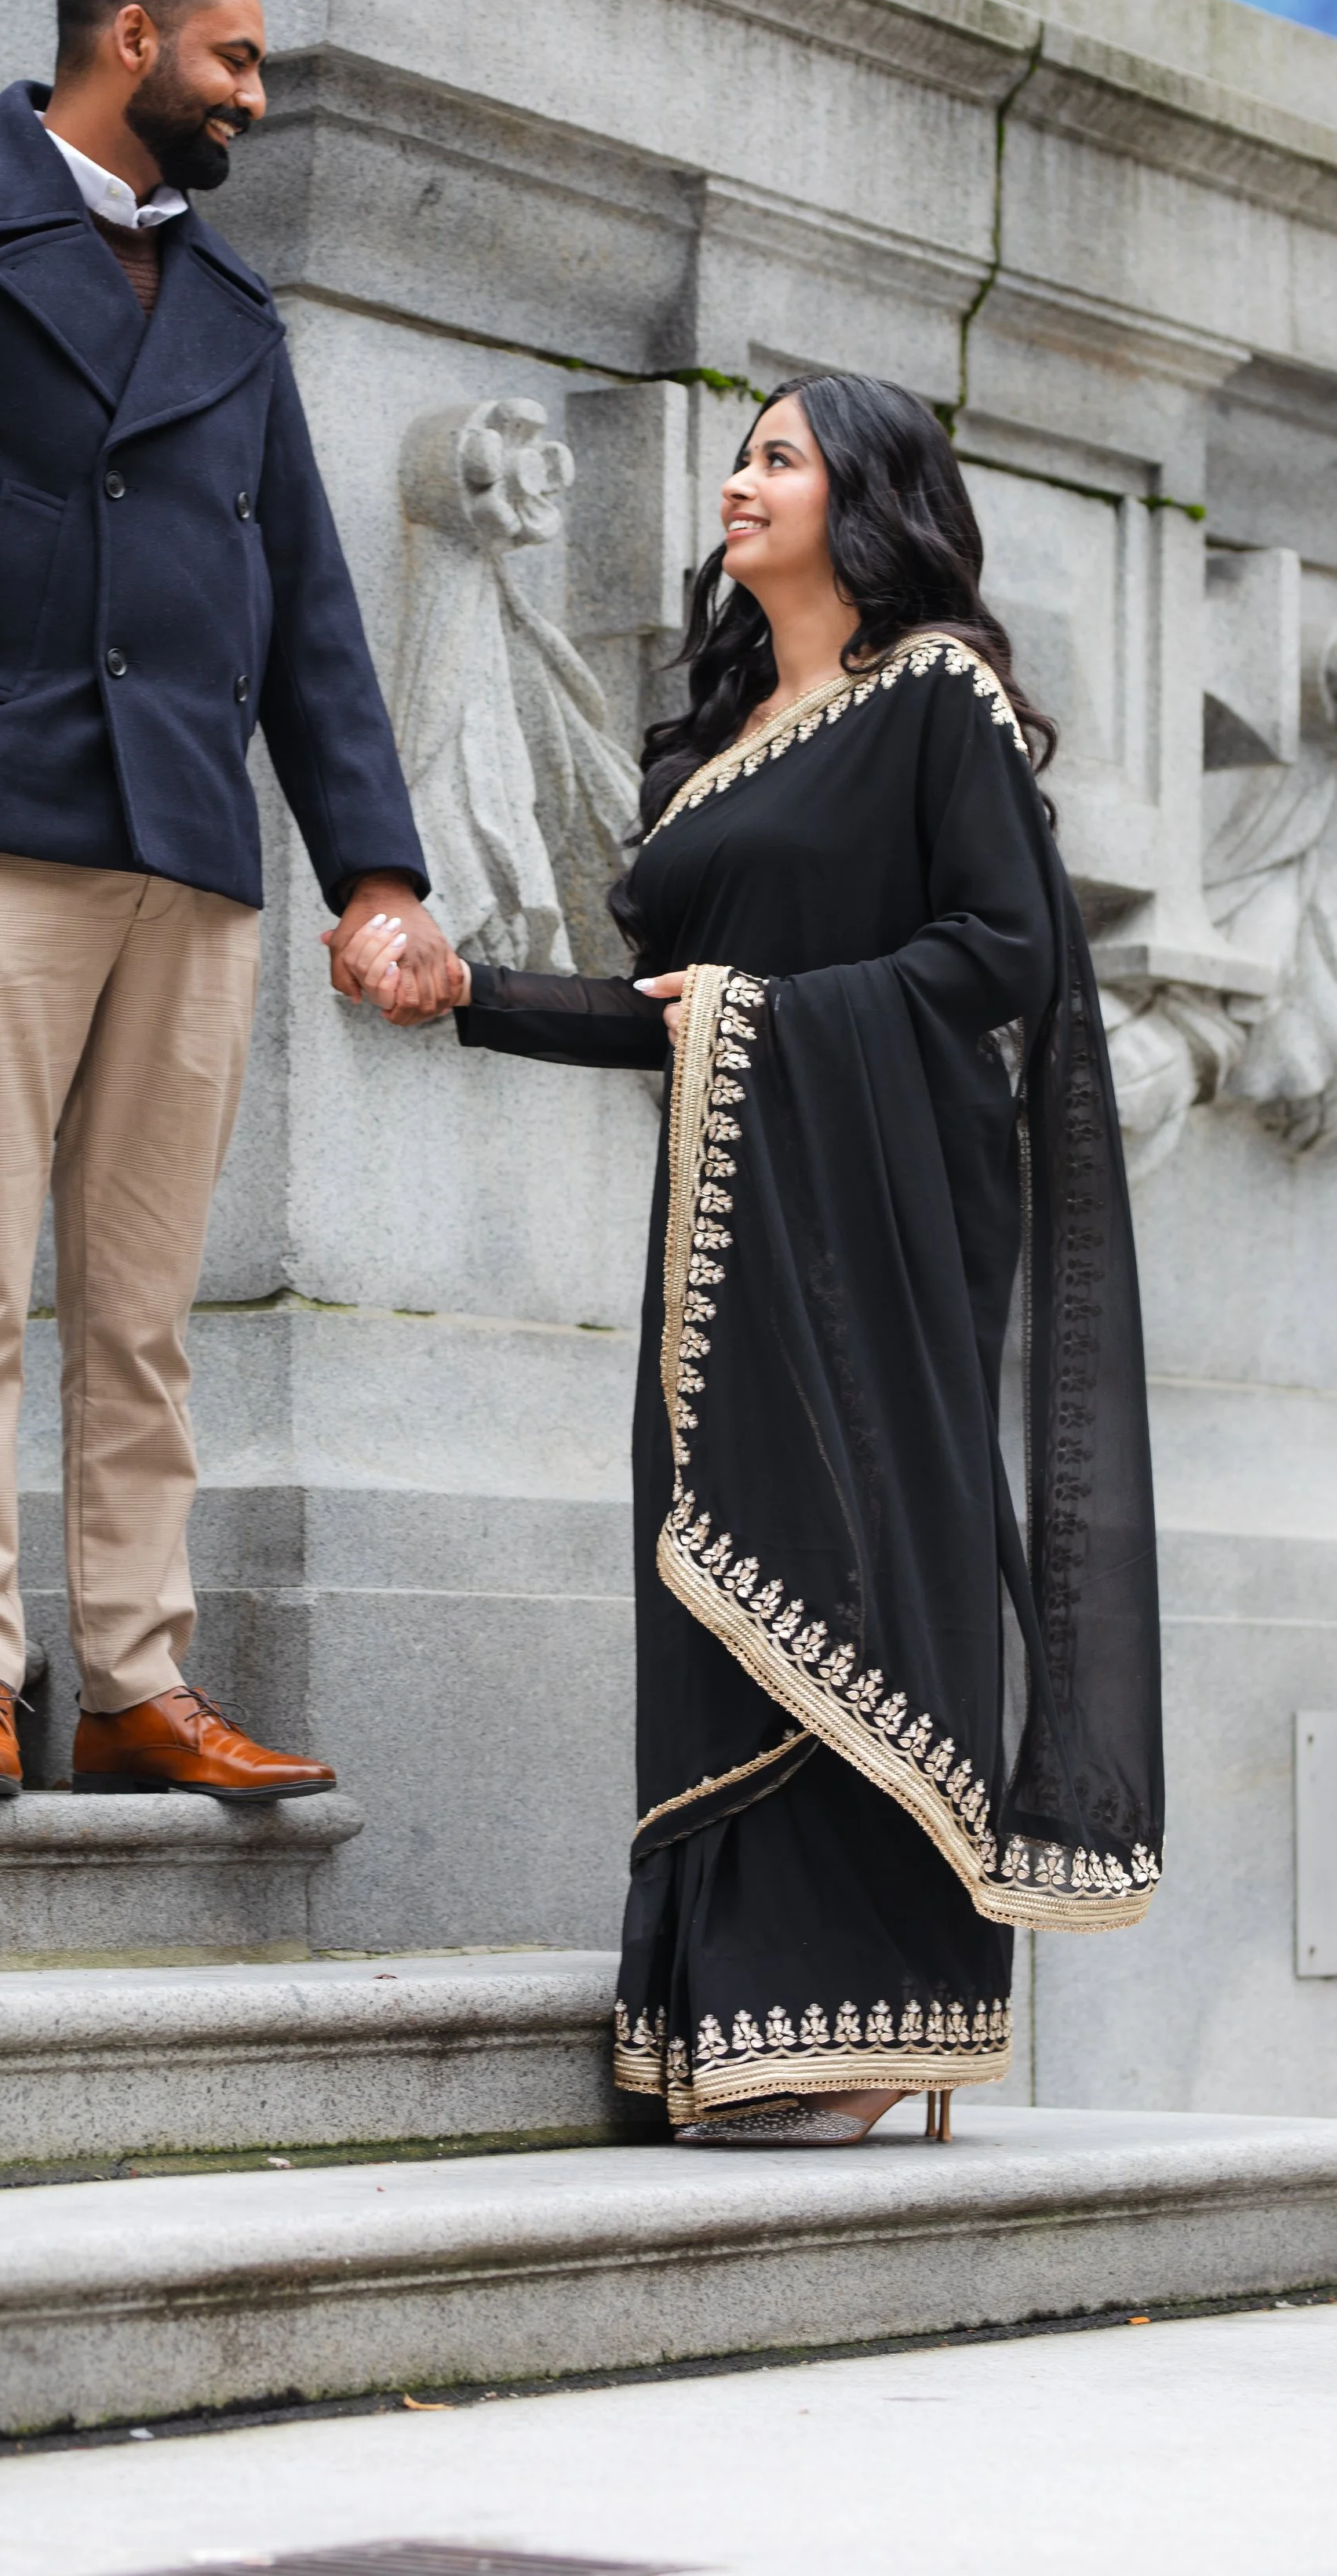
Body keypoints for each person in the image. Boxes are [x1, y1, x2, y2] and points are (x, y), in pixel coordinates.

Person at [346, 374, 1164, 2143]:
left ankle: (890, 2016)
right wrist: (465, 987)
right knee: (717, 1568)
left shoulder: (933, 697)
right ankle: (742, 2013)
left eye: (776, 457)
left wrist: (764, 1017)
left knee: (875, 1555)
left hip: (886, 1217)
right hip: (725, 1234)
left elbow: (1002, 957)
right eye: (739, 453)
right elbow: (674, 1017)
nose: (737, 482)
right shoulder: (703, 756)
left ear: (863, 498)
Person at [0, 0, 461, 1802]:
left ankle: (141, 1684)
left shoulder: (230, 305)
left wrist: (372, 871)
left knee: (141, 1315)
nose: (258, 92)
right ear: (130, 42)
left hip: (189, 863)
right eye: (237, 55)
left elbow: (306, 601)